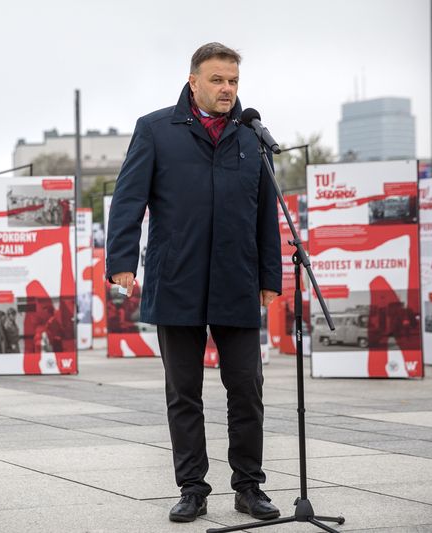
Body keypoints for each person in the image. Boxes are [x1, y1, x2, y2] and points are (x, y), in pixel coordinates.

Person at [105, 42, 282, 524]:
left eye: (234, 82)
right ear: (194, 82)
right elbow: (127, 200)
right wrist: (122, 261)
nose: (227, 90)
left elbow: (267, 214)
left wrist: (270, 276)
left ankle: (249, 486)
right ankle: (192, 488)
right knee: (184, 392)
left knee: (246, 387)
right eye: (218, 80)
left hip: (237, 280)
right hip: (177, 277)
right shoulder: (156, 129)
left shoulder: (251, 137)